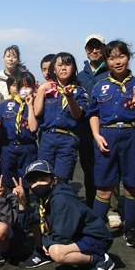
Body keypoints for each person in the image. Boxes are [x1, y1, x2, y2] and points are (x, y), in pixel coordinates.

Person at [88, 40, 135, 248]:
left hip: (133, 135)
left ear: (128, 57)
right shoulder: (100, 86)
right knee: (104, 188)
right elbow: (93, 114)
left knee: (132, 185)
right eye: (112, 58)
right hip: (107, 137)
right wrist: (96, 135)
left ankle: (130, 229)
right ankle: (95, 231)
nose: (117, 62)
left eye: (121, 56)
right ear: (106, 60)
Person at [14, 160, 115, 270]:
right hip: (77, 236)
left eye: (42, 179)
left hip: (96, 238)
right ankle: (42, 253)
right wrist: (22, 203)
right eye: (33, 182)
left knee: (56, 252)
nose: (38, 184)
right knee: (38, 221)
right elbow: (27, 224)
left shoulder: (62, 199)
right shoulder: (42, 199)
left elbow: (62, 234)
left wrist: (46, 242)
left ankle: (100, 260)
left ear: (54, 180)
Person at [77, 34, 117, 217]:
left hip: (108, 128)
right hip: (85, 130)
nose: (94, 51)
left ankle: (114, 209)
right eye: (90, 48)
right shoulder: (80, 76)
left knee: (110, 167)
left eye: (97, 47)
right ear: (85, 51)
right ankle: (93, 207)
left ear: (104, 48)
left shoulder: (111, 71)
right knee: (88, 170)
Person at [33, 52, 87, 183]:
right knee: (44, 178)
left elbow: (78, 114)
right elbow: (37, 112)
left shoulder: (79, 91)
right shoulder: (46, 90)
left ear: (73, 68)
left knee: (61, 180)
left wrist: (70, 97)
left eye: (68, 64)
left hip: (67, 139)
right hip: (47, 137)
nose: (63, 68)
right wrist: (41, 90)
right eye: (60, 65)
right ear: (54, 70)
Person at [0, 70, 39, 189]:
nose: (24, 89)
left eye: (28, 85)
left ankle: (25, 204)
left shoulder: (36, 105)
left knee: (27, 180)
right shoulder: (4, 105)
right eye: (21, 86)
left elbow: (33, 128)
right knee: (8, 179)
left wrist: (30, 106)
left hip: (27, 147)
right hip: (8, 147)